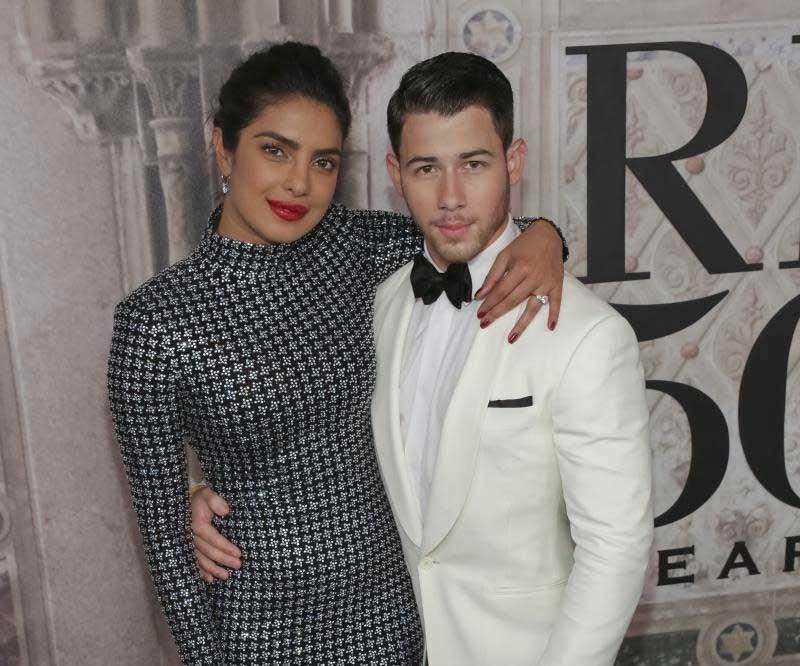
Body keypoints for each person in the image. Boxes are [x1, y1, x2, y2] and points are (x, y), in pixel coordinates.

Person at [107, 42, 568, 665]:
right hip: (260, 635)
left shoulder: (362, 248)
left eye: (322, 161)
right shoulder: (154, 324)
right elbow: (168, 549)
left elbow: (473, 231)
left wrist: (546, 235)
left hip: (395, 622)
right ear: (223, 147)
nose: (299, 182)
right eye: (275, 150)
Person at [195, 50, 652, 665]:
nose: (451, 197)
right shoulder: (378, 300)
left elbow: (616, 550)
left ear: (514, 162)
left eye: (474, 164)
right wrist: (202, 488)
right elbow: (292, 422)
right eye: (426, 169)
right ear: (395, 173)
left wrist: (545, 233)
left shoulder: (587, 336)